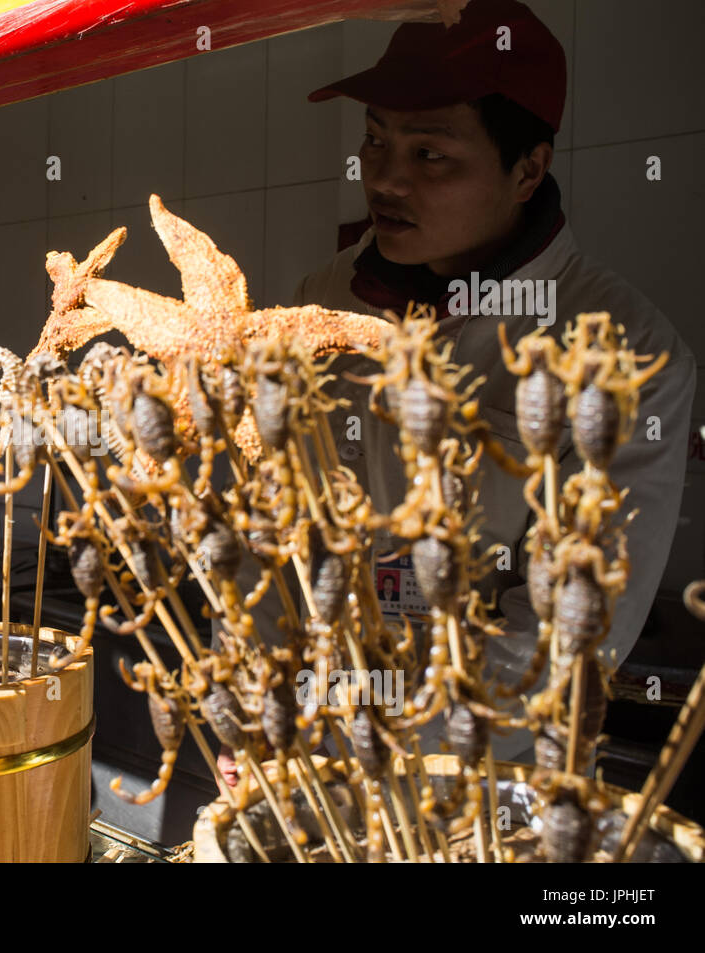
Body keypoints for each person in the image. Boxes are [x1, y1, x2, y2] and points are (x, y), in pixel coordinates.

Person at [216, 0, 696, 785]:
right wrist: (260, 692)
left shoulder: (626, 352)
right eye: (375, 140)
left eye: (429, 153)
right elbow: (274, 529)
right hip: (312, 765)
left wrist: (373, 741)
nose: (384, 176)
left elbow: (562, 641)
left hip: (479, 789)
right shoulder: (325, 301)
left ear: (527, 170)